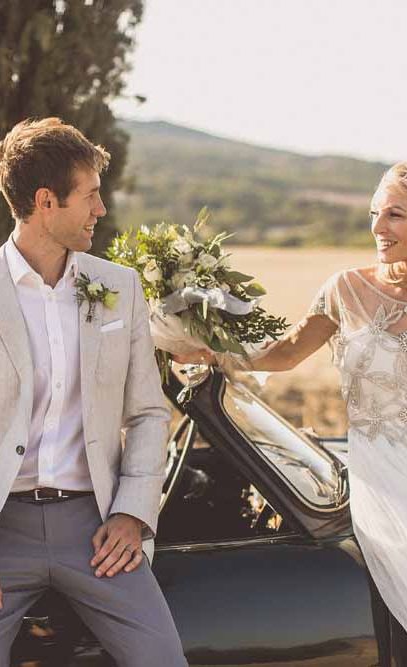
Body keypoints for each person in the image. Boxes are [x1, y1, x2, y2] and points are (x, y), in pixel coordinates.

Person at [0, 117, 187, 666]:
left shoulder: (119, 287)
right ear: (46, 201)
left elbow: (149, 413)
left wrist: (132, 514)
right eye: (89, 196)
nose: (100, 210)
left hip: (98, 528)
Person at [182, 161, 407, 665]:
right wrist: (213, 352)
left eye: (395, 214)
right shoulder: (346, 289)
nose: (378, 227)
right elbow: (285, 353)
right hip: (379, 472)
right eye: (375, 213)